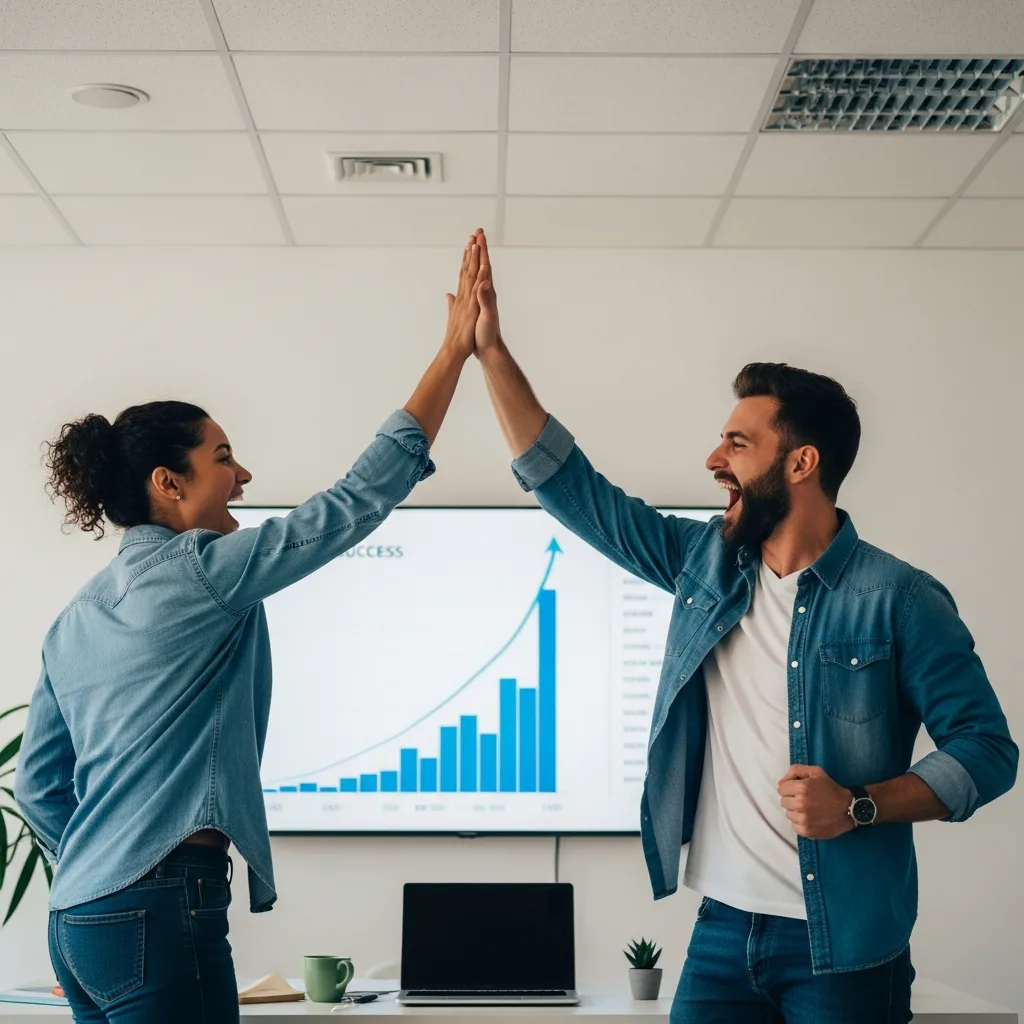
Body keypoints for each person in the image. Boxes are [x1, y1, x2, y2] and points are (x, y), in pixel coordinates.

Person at [467, 229, 1018, 1023]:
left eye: (736, 442)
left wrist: (859, 805)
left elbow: (989, 752)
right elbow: (573, 490)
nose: (711, 458)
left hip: (845, 947)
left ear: (801, 464)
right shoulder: (706, 566)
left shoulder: (898, 597)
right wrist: (491, 355)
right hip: (723, 933)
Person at [14, 238, 488, 1024]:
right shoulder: (204, 568)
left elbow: (37, 787)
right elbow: (356, 501)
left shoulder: (75, 618)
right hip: (163, 909)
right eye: (223, 457)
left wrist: (101, 866)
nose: (243, 476)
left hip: (78, 922)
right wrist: (450, 355)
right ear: (169, 485)